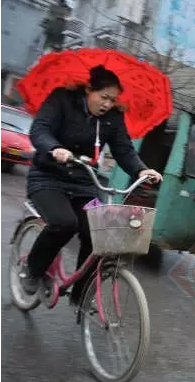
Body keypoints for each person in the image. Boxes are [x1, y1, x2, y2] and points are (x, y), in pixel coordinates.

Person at [20, 65, 163, 306]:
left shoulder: (112, 118)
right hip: (47, 177)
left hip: (83, 182)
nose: (108, 104)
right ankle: (32, 269)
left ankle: (81, 294)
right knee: (65, 223)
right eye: (104, 97)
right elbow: (40, 129)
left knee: (101, 233)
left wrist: (141, 169)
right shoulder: (62, 100)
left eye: (113, 99)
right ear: (89, 89)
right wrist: (54, 148)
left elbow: (124, 149)